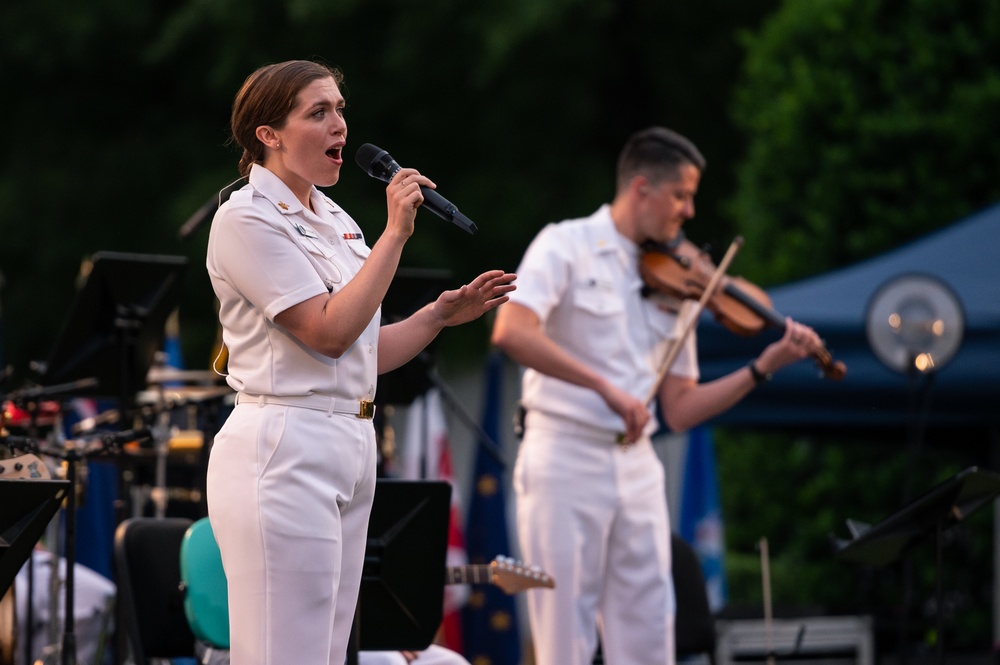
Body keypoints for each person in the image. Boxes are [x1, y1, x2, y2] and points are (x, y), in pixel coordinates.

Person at [205, 59, 515, 665]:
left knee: (326, 654)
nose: (339, 125)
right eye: (317, 113)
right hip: (283, 444)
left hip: (349, 439)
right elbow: (325, 333)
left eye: (340, 110)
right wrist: (396, 234)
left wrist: (436, 317)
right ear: (268, 134)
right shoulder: (245, 217)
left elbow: (362, 354)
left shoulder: (336, 218)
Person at [490, 126, 822, 665]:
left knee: (650, 633)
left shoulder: (682, 279)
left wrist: (762, 367)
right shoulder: (565, 243)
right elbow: (512, 331)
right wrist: (605, 388)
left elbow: (681, 407)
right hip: (563, 452)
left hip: (636, 463)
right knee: (563, 638)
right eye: (681, 195)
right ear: (641, 187)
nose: (690, 212)